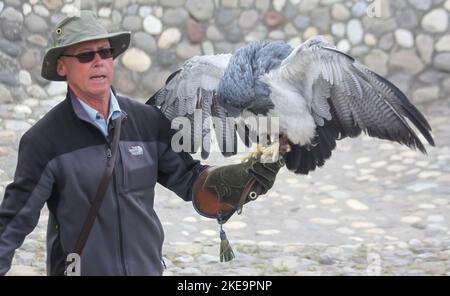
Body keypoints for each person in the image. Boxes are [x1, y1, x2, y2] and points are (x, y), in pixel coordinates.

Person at [0, 11, 283, 276]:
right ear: (62, 67)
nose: (98, 61)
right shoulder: (44, 141)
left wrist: (242, 181)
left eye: (105, 52)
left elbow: (190, 179)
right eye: (86, 55)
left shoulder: (147, 121)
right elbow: (12, 224)